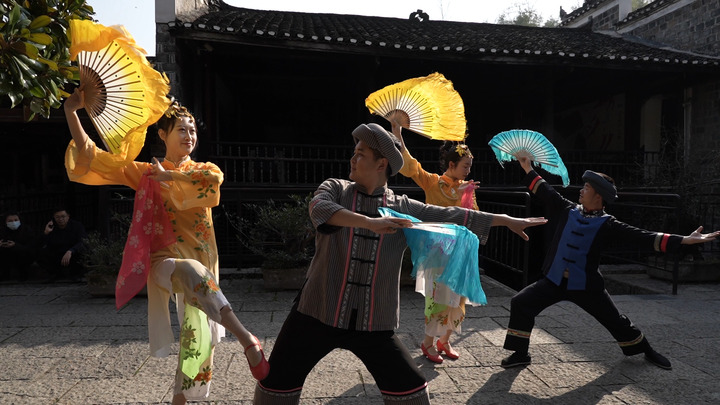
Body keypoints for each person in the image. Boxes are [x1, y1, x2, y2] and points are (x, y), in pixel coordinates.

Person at [253, 122, 547, 404]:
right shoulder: (336, 188)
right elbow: (320, 208)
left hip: (373, 321)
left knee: (412, 391)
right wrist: (369, 223)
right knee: (275, 384)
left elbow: (454, 215)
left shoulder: (402, 207)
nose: (353, 159)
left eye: (361, 154)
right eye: (354, 152)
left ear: (381, 164)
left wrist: (505, 219)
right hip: (317, 310)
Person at [63, 89, 268, 405]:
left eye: (193, 130)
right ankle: (247, 338)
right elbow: (94, 157)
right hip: (165, 262)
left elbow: (212, 182)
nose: (189, 136)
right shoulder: (145, 174)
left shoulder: (203, 170)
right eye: (182, 129)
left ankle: (179, 400)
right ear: (163, 134)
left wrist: (170, 175)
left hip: (202, 263)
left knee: (197, 337)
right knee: (191, 273)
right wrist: (71, 111)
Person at [501, 155, 720, 370]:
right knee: (521, 302)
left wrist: (685, 240)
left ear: (599, 196)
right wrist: (527, 167)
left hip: (586, 286)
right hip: (554, 280)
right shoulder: (568, 210)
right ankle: (520, 354)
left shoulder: (608, 224)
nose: (581, 190)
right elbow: (546, 191)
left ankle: (646, 349)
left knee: (616, 321)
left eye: (586, 188)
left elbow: (644, 237)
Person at [389, 114, 480, 364]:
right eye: (465, 166)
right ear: (451, 164)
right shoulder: (433, 183)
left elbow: (474, 217)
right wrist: (397, 133)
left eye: (469, 167)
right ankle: (428, 342)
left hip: (460, 249)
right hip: (438, 249)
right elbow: (411, 166)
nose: (468, 171)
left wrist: (465, 196)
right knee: (438, 299)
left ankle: (445, 340)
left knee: (459, 299)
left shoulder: (466, 187)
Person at [38, 208, 87, 281]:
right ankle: (54, 274)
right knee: (40, 252)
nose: (60, 219)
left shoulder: (77, 226)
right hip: (57, 253)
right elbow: (40, 243)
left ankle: (76, 275)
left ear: (68, 216)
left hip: (72, 253)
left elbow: (83, 241)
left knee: (82, 251)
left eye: (63, 216)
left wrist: (70, 251)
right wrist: (46, 233)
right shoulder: (51, 227)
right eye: (57, 217)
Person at [0, 211, 37, 281]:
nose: (13, 222)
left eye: (16, 220)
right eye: (10, 221)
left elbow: (31, 246)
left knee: (23, 253)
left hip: (22, 255)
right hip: (7, 255)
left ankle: (23, 275)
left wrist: (16, 245)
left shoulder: (26, 230)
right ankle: (5, 275)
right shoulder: (2, 230)